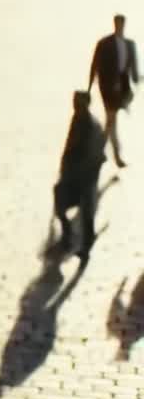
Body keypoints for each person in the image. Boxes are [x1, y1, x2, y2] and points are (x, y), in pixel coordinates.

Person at [54, 91, 106, 260]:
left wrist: (77, 173)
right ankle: (68, 235)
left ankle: (86, 246)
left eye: (78, 102)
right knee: (60, 199)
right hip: (72, 174)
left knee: (87, 213)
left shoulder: (92, 125)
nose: (75, 105)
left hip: (85, 177)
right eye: (74, 101)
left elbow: (95, 154)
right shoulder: (77, 119)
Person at [88, 14, 137, 167]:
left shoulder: (129, 44)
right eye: (117, 23)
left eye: (121, 24)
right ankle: (114, 155)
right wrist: (89, 86)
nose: (119, 26)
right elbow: (95, 64)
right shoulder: (104, 43)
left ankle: (99, 152)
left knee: (110, 121)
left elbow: (133, 66)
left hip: (122, 86)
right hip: (107, 86)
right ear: (114, 24)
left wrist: (135, 80)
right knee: (111, 119)